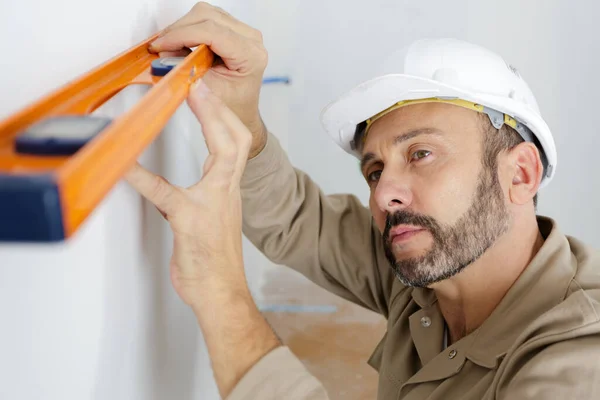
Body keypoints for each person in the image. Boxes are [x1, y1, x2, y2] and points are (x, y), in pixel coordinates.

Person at [125, 2, 600, 400]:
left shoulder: (579, 362)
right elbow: (297, 221)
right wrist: (243, 122)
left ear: (520, 174)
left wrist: (220, 293)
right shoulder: (434, 269)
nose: (384, 193)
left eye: (421, 153)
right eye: (375, 170)